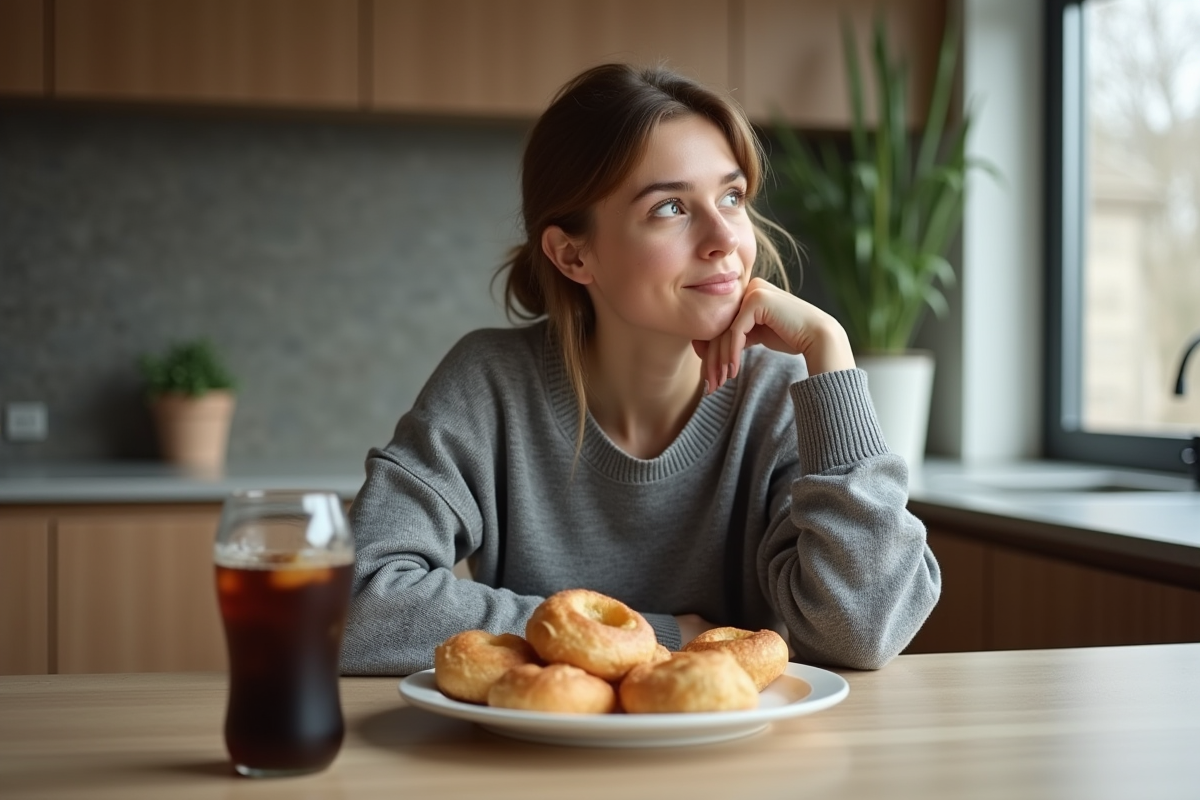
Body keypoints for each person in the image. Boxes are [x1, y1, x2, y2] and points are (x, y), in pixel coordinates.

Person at [341, 63, 940, 676]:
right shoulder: (490, 384)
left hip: (739, 763)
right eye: (671, 208)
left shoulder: (783, 396)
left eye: (732, 197)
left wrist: (830, 352)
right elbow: (351, 605)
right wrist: (656, 638)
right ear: (574, 254)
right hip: (538, 762)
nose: (723, 238)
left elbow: (864, 631)